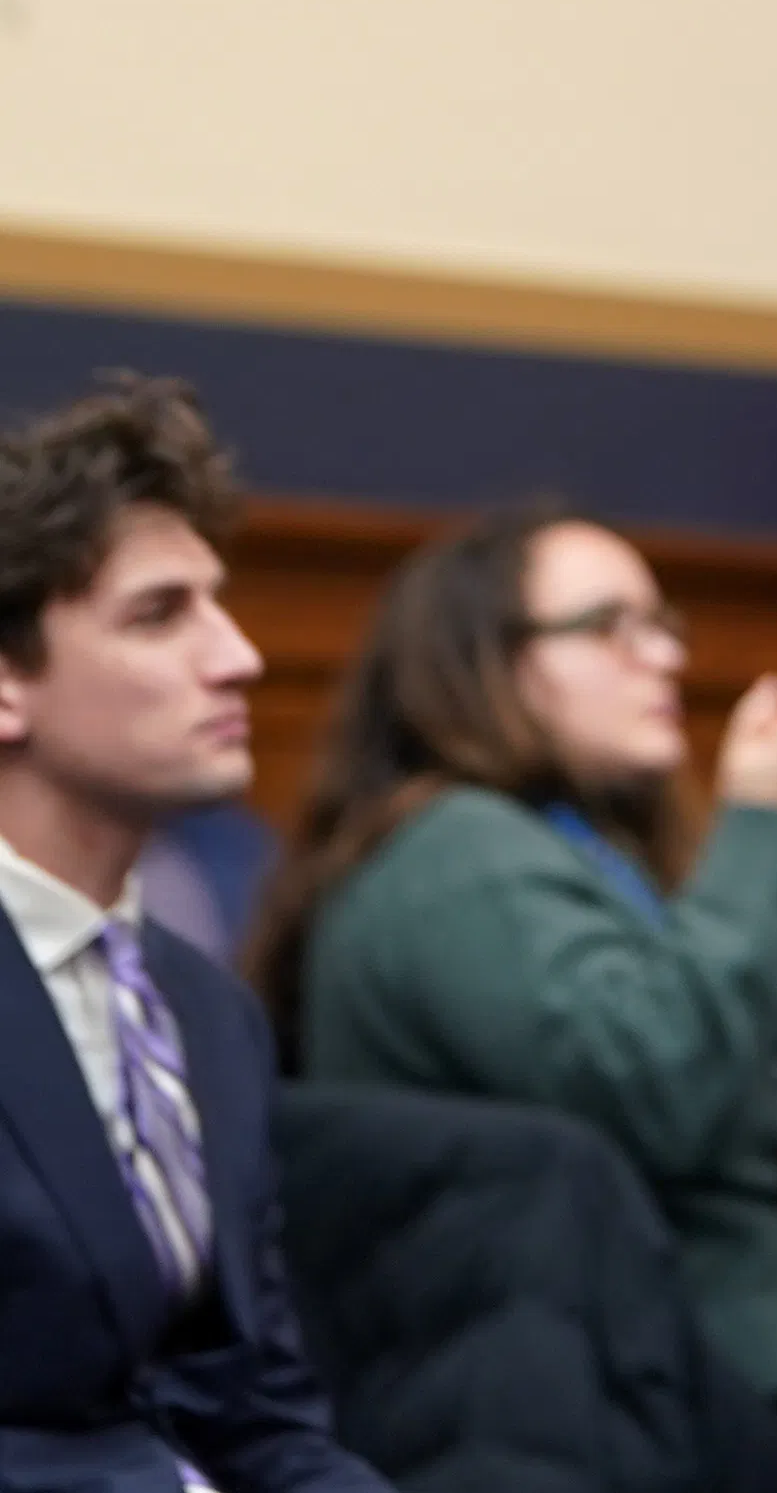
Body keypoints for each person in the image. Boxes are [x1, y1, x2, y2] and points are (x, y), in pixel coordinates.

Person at [251, 505, 777, 1460]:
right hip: (616, 1393)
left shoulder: (584, 845)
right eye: (610, 626)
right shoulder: (457, 856)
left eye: (662, 623)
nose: (664, 655)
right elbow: (658, 1085)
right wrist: (769, 826)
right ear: (486, 661)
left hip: (694, 1363)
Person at [0, 377, 392, 1493]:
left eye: (219, 605)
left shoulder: (207, 1010)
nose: (240, 656)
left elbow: (248, 1406)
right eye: (160, 615)